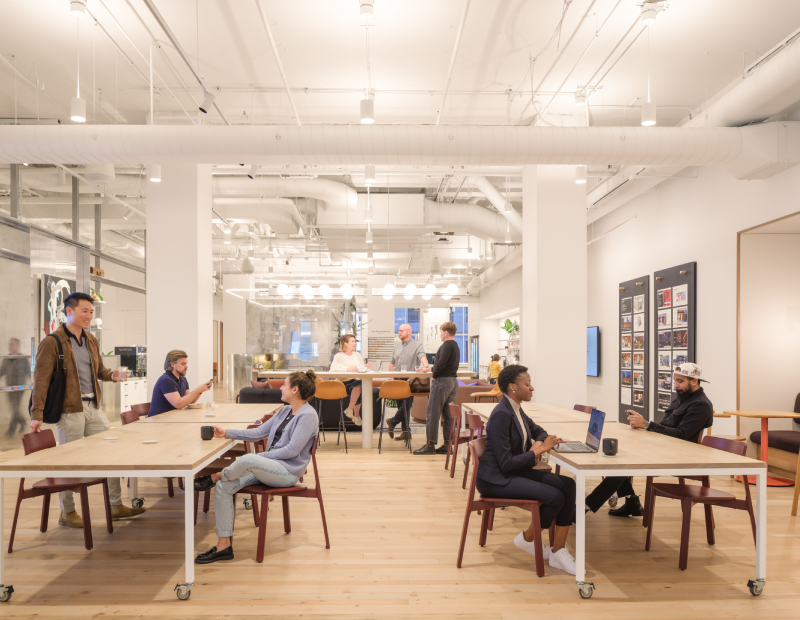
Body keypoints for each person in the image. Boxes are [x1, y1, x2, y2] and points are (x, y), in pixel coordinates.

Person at [30, 292, 145, 527]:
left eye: (91, 312)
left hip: (93, 406)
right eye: (85, 311)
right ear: (69, 311)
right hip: (69, 410)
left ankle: (115, 505)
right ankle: (67, 511)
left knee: (110, 454)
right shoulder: (53, 342)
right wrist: (37, 414)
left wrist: (113, 375)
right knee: (69, 461)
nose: (89, 316)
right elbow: (40, 380)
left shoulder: (91, 339)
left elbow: (100, 371)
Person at [193, 370, 320, 564]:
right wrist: (226, 432)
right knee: (224, 487)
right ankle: (223, 546)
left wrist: (258, 457)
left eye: (284, 384)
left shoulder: (308, 415)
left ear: (295, 390)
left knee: (248, 460)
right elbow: (258, 432)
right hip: (269, 468)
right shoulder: (284, 410)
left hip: (287, 472)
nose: (281, 387)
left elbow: (292, 451)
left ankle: (216, 476)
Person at [475, 364, 577, 575]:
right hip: (496, 479)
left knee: (568, 485)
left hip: (512, 471)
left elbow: (539, 431)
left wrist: (537, 446)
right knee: (555, 497)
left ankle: (558, 552)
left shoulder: (516, 409)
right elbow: (505, 463)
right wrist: (537, 451)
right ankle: (528, 539)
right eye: (527, 384)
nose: (532, 389)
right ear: (513, 387)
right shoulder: (501, 415)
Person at [584, 362, 713, 517]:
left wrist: (646, 424)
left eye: (680, 381)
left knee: (623, 464)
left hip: (680, 456)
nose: (676, 386)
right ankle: (632, 502)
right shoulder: (680, 399)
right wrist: (643, 425)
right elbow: (666, 427)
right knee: (620, 460)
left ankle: (585, 507)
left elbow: (681, 435)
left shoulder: (701, 405)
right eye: (675, 381)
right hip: (664, 447)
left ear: (694, 381)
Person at [413, 322, 460, 455]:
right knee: (448, 415)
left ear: (446, 332)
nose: (440, 335)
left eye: (441, 332)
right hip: (452, 382)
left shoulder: (446, 345)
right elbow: (447, 364)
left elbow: (441, 364)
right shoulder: (455, 345)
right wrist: (431, 368)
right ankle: (447, 445)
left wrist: (434, 375)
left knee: (432, 414)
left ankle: (430, 445)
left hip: (442, 382)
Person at [386, 323, 428, 441]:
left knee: (407, 405)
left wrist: (426, 366)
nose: (399, 333)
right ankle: (406, 433)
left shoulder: (417, 345)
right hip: (397, 380)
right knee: (401, 406)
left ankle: (392, 421)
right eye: (398, 331)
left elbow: (422, 356)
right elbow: (392, 362)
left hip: (410, 380)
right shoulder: (396, 346)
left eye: (401, 331)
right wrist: (391, 378)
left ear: (409, 331)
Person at [148, 350, 212, 417]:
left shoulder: (182, 379)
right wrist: (197, 390)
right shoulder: (166, 380)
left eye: (186, 364)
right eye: (183, 364)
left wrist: (200, 391)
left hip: (171, 418)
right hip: (158, 420)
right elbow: (178, 404)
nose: (186, 367)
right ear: (172, 364)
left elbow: (190, 401)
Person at [330, 334, 369, 426]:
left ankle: (350, 410)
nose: (354, 343)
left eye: (355, 341)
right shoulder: (338, 356)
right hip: (343, 382)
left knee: (361, 385)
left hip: (356, 380)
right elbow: (333, 369)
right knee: (359, 385)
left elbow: (360, 368)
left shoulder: (357, 355)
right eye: (352, 341)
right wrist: (347, 369)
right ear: (345, 343)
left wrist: (366, 368)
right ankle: (355, 414)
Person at [1, 337, 30, 437]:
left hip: (20, 388)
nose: (10, 346)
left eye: (12, 344)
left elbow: (28, 371)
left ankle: (11, 430)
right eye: (10, 344)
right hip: (9, 388)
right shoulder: (6, 358)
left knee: (15, 408)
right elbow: (2, 371)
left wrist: (32, 380)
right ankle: (22, 421)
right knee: (15, 408)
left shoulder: (23, 359)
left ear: (17, 346)